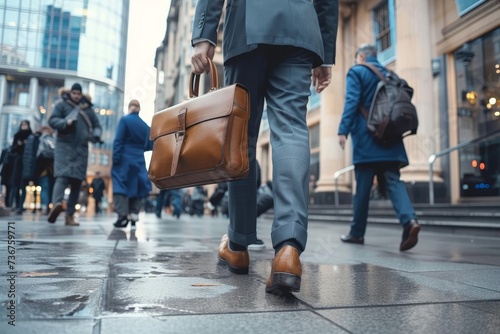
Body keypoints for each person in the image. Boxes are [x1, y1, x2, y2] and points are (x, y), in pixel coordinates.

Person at [191, 0, 339, 295]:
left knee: (240, 138)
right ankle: (288, 249)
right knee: (292, 129)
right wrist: (325, 54)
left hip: (247, 26)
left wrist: (204, 36)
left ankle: (238, 244)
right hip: (300, 29)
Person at [337, 44, 420, 251]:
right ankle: (409, 221)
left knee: (363, 189)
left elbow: (352, 102)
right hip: (391, 138)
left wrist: (343, 130)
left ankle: (357, 233)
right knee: (394, 181)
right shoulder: (390, 75)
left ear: (362, 57)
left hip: (367, 139)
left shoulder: (357, 71)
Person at [47, 83, 102, 226]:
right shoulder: (61, 105)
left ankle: (69, 216)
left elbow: (97, 125)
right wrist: (65, 122)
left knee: (77, 182)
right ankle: (56, 205)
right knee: (62, 177)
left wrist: (96, 135)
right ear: (70, 93)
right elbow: (52, 120)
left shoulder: (88, 109)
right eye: (74, 93)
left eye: (78, 93)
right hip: (63, 146)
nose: (76, 96)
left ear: (81, 94)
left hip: (81, 149)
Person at [111, 99, 153, 229]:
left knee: (120, 184)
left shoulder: (125, 120)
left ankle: (122, 215)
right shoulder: (145, 126)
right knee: (137, 186)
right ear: (139, 109)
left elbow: (118, 140)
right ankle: (134, 214)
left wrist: (116, 158)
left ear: (130, 108)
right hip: (139, 159)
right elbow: (150, 145)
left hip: (124, 158)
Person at [10, 120, 33, 214]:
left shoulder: (31, 136)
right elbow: (13, 149)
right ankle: (16, 205)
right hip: (18, 162)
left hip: (27, 164)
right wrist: (18, 145)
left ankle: (20, 206)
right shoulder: (17, 135)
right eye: (22, 124)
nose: (24, 126)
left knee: (23, 185)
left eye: (25, 124)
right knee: (15, 185)